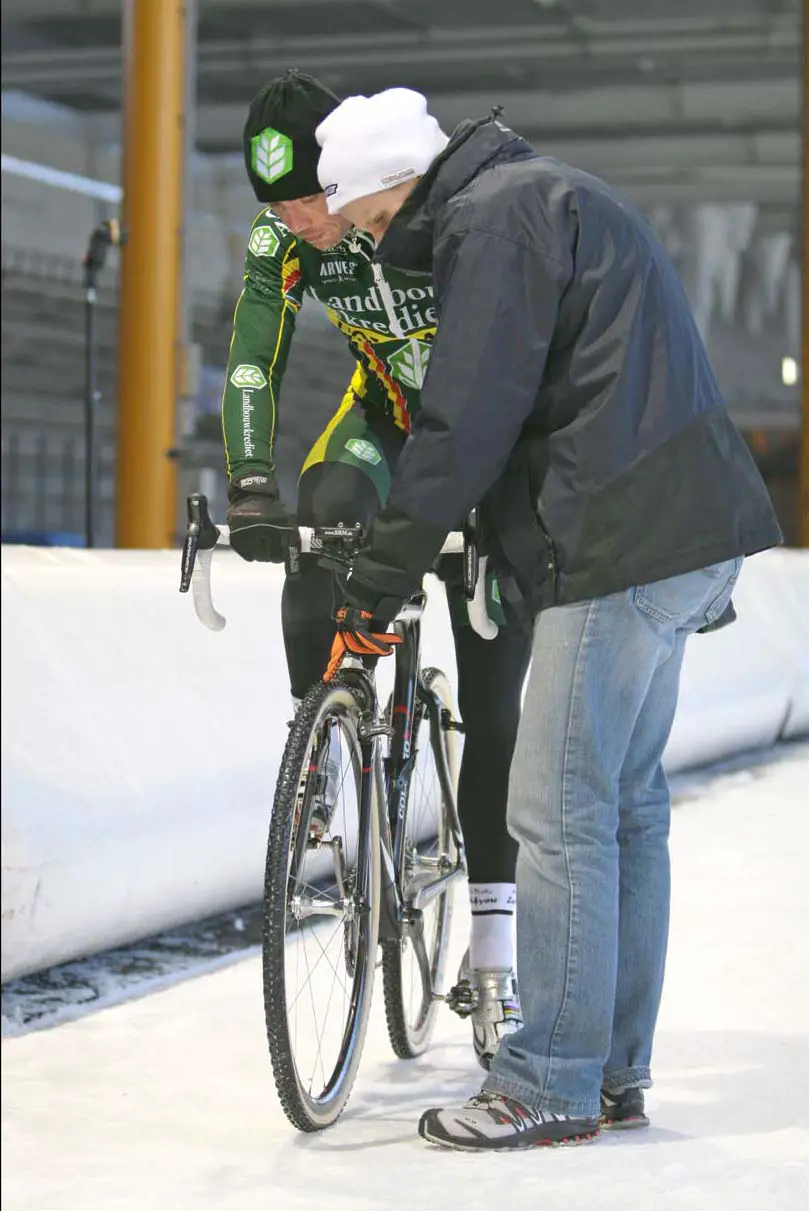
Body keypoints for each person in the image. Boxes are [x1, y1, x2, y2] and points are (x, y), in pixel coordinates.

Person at [314, 87, 783, 1150]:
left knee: (555, 809)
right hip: (685, 527)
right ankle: (611, 1069)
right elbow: (549, 399)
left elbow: (467, 416)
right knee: (621, 807)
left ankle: (548, 1078)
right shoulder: (542, 196)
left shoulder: (495, 219)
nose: (374, 244)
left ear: (397, 182)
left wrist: (375, 583)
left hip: (625, 537)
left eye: (372, 222)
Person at [221, 70, 532, 1067]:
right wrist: (248, 483)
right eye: (276, 207)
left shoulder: (404, 211)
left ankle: (492, 953)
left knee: (494, 713)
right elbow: (247, 365)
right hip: (391, 422)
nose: (300, 222)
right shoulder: (287, 239)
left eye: (309, 198)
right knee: (322, 512)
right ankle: (329, 730)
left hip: (485, 439)